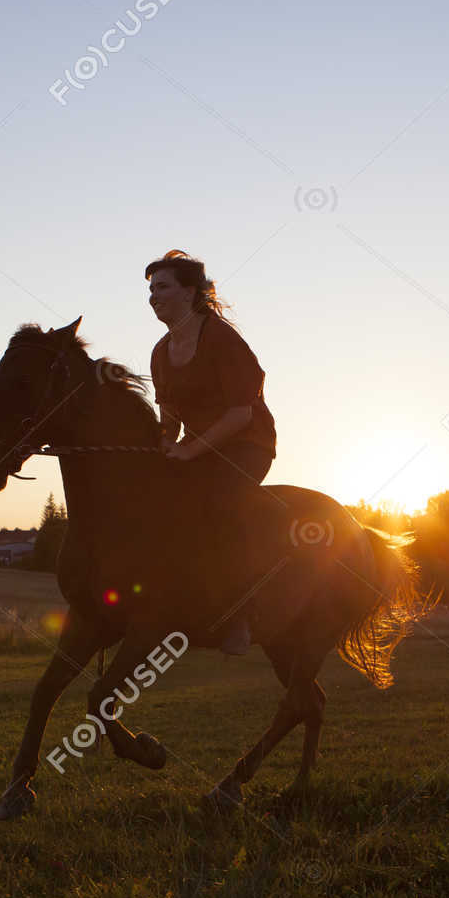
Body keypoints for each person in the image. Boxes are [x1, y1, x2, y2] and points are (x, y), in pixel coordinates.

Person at [146, 249, 278, 655]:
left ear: (190, 292)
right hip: (198, 448)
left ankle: (240, 614)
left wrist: (188, 452)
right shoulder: (160, 352)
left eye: (163, 287)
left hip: (246, 444)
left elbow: (240, 415)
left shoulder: (222, 339)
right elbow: (169, 416)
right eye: (150, 290)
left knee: (218, 504)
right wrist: (164, 444)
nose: (153, 297)